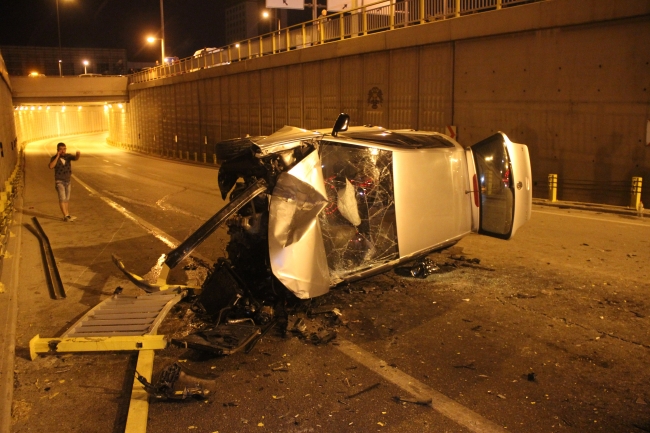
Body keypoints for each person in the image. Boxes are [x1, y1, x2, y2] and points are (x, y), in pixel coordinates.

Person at [48, 142, 81, 221]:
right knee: (62, 198)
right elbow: (51, 166)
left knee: (66, 199)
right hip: (59, 181)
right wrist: (57, 156)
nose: (63, 151)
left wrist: (78, 154)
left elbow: (75, 158)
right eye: (61, 149)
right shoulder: (54, 158)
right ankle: (65, 216)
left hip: (68, 181)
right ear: (58, 150)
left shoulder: (68, 157)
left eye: (64, 149)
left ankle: (67, 215)